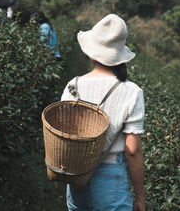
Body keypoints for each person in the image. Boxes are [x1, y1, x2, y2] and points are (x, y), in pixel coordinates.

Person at [61, 14, 146, 211]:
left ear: (92, 54)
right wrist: (140, 197)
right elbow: (132, 150)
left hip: (76, 175)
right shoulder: (131, 91)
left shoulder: (73, 85)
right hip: (110, 178)